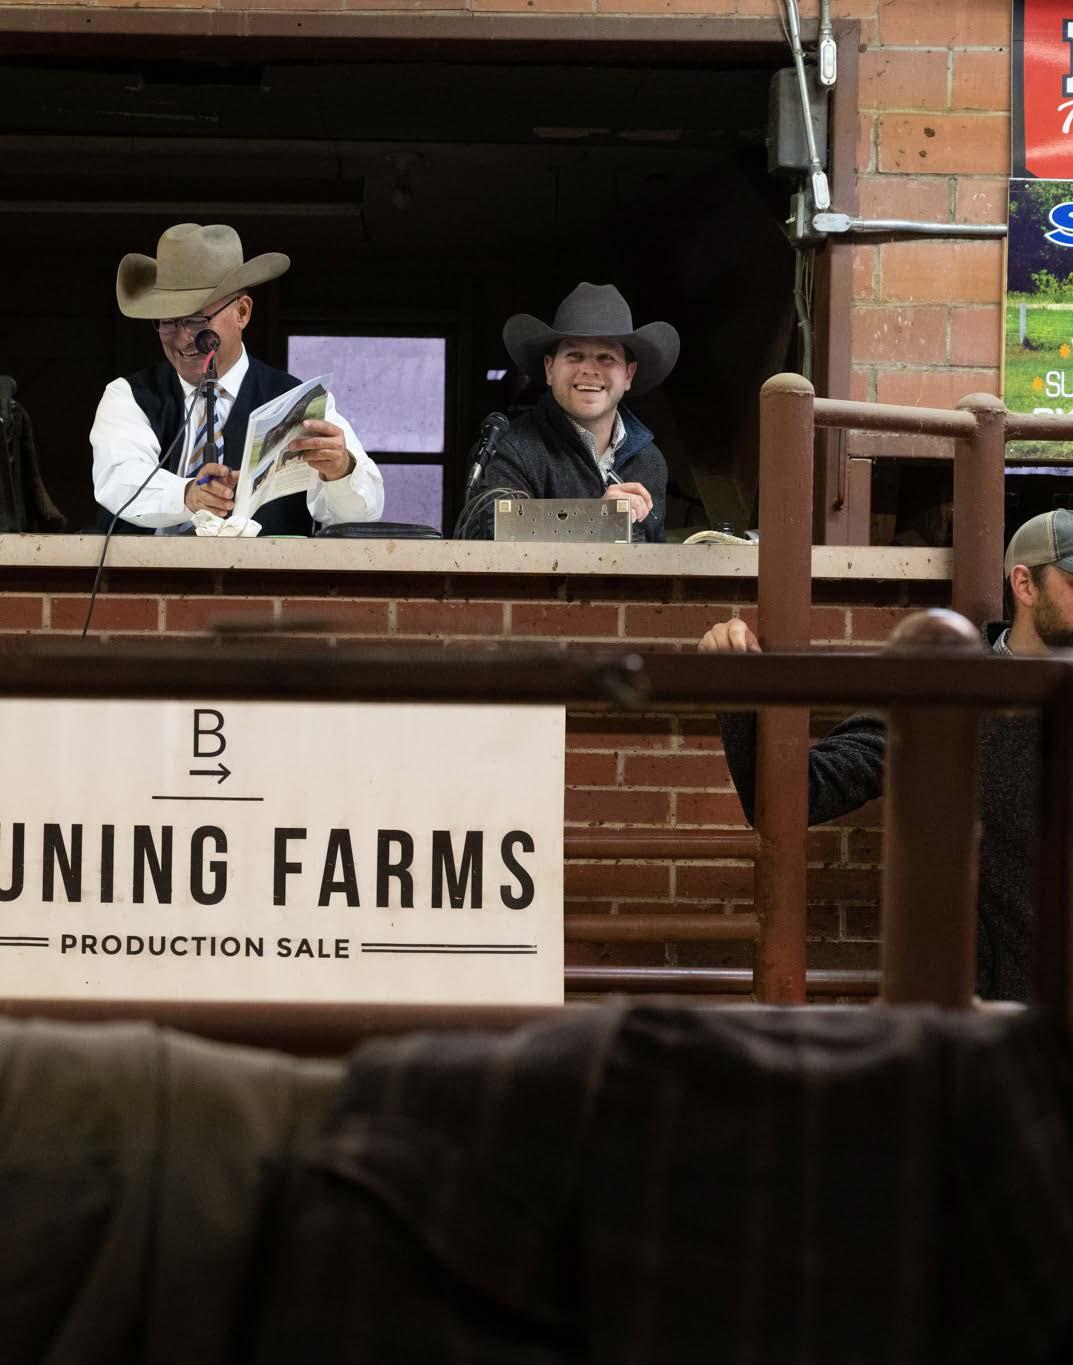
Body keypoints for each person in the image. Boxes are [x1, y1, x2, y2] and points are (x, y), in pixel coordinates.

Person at [698, 508, 1073, 1004]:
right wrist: (738, 687)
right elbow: (796, 794)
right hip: (991, 1014)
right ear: (1025, 585)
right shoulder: (943, 693)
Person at [91, 223, 384, 536]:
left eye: (196, 320)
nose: (183, 338)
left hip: (271, 568)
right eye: (168, 322)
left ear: (242, 312)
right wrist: (187, 494)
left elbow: (363, 515)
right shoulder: (128, 396)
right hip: (145, 567)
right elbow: (119, 479)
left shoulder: (298, 401)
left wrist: (341, 471)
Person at [474, 282, 679, 543]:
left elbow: (655, 559)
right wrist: (594, 520)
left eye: (606, 357)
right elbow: (490, 541)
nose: (589, 370)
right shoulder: (508, 451)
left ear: (628, 374)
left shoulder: (650, 462)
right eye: (574, 355)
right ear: (550, 369)